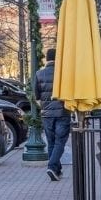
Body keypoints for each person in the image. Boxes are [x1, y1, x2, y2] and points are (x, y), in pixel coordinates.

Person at [34, 48, 69, 181]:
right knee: (60, 141)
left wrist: (44, 107)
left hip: (46, 115)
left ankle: (56, 171)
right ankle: (52, 166)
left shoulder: (39, 74)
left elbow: (37, 96)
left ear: (46, 59)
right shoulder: (63, 74)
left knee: (51, 143)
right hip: (62, 112)